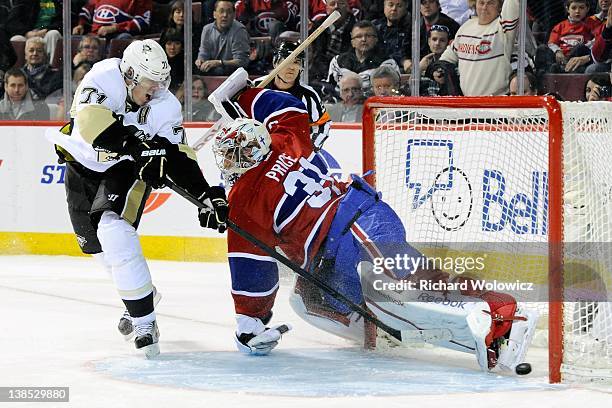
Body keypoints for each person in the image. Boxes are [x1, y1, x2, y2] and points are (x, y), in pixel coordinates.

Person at [205, 68, 539, 373]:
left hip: (358, 220)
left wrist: (250, 321)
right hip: (331, 258)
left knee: (410, 280)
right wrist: (244, 95)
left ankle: (502, 310)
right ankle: (403, 326)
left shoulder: (245, 203)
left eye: (235, 155)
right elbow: (288, 109)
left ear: (252, 151)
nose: (230, 163)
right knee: (314, 300)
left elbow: (250, 265)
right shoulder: (287, 139)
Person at [46, 39, 228, 358]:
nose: (156, 91)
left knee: (113, 229)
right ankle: (144, 296)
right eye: (149, 84)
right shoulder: (103, 76)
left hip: (124, 170)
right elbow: (91, 124)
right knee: (95, 246)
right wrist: (140, 148)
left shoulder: (165, 105)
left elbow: (179, 156)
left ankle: (145, 322)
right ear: (129, 76)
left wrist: (205, 196)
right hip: (82, 162)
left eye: (161, 84)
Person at [256, 41, 332, 150]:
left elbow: (322, 125)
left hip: (289, 157)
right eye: (287, 61)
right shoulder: (256, 87)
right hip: (258, 153)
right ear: (275, 63)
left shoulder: (308, 96)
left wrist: (309, 148)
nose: (292, 67)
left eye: (296, 62)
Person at [440, 0, 520, 96]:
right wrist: (438, 70)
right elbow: (448, 57)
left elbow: (511, 6)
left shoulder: (502, 28)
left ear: (500, 7)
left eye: (490, 3)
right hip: (467, 104)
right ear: (475, 4)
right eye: (481, 2)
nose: (484, 7)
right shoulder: (465, 27)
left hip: (496, 103)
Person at [327, 20, 400, 96]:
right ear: (352, 42)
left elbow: (391, 91)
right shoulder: (338, 61)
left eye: (368, 36)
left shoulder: (387, 64)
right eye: (358, 36)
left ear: (376, 39)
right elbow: (330, 87)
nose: (363, 39)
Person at [535, 0, 600, 74]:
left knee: (580, 48)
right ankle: (552, 69)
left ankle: (563, 68)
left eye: (581, 8)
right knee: (542, 48)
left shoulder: (590, 25)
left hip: (577, 60)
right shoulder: (560, 26)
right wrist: (558, 51)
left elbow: (596, 42)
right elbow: (552, 43)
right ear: (567, 9)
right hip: (560, 57)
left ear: (587, 9)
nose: (577, 11)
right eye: (573, 8)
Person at [195, 0, 250, 76]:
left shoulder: (239, 30)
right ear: (214, 14)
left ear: (234, 15)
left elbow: (242, 61)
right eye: (221, 11)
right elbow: (204, 52)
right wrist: (200, 60)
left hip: (233, 75)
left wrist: (219, 63)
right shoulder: (207, 29)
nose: (225, 15)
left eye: (229, 12)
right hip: (211, 73)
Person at [73, 0, 152, 38]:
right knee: (71, 40)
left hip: (118, 36)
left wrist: (115, 28)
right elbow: (86, 11)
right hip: (93, 36)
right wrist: (81, 25)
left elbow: (143, 22)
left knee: (124, 38)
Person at [372, 0, 412, 73]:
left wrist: (404, 61)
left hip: (402, 69)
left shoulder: (412, 28)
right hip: (376, 69)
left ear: (406, 7)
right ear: (384, 6)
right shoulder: (375, 26)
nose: (394, 9)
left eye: (399, 6)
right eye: (390, 5)